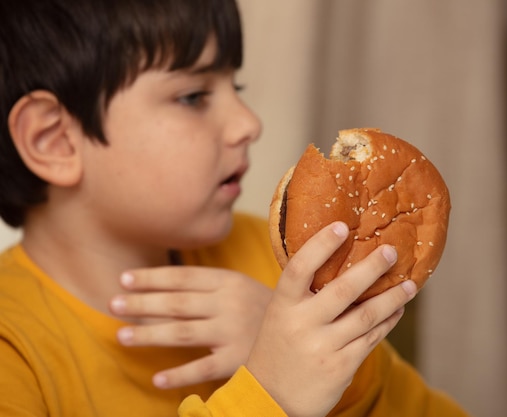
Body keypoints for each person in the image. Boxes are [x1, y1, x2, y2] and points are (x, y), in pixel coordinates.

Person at [0, 0, 469, 416]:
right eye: (193, 96)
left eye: (236, 86)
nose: (249, 123)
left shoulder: (284, 265)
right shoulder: (12, 349)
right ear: (54, 140)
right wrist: (269, 394)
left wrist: (341, 371)